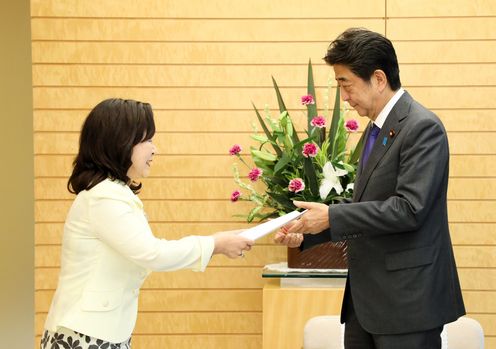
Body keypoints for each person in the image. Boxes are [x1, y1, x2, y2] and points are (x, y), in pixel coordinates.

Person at [275, 28, 465, 349]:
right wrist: (308, 232)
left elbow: (408, 210)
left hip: (407, 305)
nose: (344, 97)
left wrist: (332, 216)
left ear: (378, 79)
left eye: (345, 84)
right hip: (367, 306)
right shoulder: (377, 129)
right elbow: (368, 209)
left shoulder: (422, 128)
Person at [40, 98, 254, 348]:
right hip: (84, 336)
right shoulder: (104, 197)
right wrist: (216, 244)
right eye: (147, 140)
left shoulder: (111, 193)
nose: (154, 149)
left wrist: (220, 241)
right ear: (120, 142)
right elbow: (152, 254)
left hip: (98, 334)